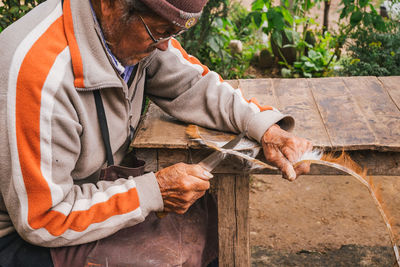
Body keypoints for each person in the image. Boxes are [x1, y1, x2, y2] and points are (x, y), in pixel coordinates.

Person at [0, 0, 312, 266]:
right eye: (160, 32)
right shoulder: (41, 77)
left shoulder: (131, 34)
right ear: (110, 4)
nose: (166, 45)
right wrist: (154, 191)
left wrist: (265, 129)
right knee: (169, 257)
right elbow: (44, 219)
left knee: (202, 218)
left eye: (174, 33)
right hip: (24, 236)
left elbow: (194, 83)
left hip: (92, 192)